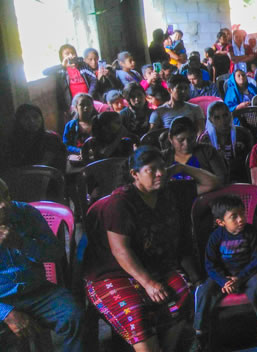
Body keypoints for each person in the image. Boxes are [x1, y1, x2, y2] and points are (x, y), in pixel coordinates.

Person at [83, 147, 220, 351]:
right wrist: (148, 283)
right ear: (134, 174)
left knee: (183, 294)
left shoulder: (169, 191)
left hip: (155, 266)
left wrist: (182, 168)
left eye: (163, 168)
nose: (160, 173)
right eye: (152, 170)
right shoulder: (120, 203)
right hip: (112, 273)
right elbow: (120, 251)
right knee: (136, 313)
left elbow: (213, 182)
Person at [0, 178, 83, 352]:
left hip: (37, 291)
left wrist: (21, 243)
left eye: (6, 196)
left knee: (74, 317)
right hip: (2, 299)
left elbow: (55, 252)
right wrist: (6, 313)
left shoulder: (26, 212)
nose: (4, 205)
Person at [192, 195, 257, 350]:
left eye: (242, 213)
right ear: (221, 222)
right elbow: (210, 264)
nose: (241, 219)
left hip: (247, 274)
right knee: (204, 291)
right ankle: (200, 333)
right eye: (234, 216)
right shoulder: (215, 237)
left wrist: (240, 278)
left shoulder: (252, 232)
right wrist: (224, 281)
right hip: (224, 275)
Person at [199, 101, 254, 184]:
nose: (223, 121)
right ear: (210, 120)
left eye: (225, 115)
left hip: (241, 180)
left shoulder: (242, 134)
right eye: (217, 118)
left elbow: (249, 163)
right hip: (215, 182)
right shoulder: (205, 140)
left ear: (230, 115)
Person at [162, 116, 228, 184]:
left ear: (196, 135)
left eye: (191, 139)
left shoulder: (208, 152)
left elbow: (221, 179)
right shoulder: (163, 157)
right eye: (180, 140)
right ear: (170, 138)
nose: (186, 144)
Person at [3, 104, 66, 172]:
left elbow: (48, 164)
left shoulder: (52, 139)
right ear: (19, 121)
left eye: (35, 117)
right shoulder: (12, 142)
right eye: (26, 118)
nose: (32, 121)